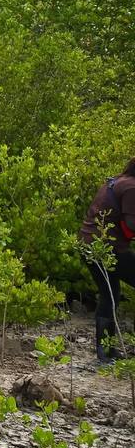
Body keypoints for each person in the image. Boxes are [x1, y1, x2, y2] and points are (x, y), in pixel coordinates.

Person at [79, 156, 135, 364]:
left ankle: (105, 352)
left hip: (88, 245)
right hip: (109, 249)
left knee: (109, 296)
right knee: (110, 296)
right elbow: (132, 223)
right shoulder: (131, 187)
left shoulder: (117, 181)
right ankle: (107, 351)